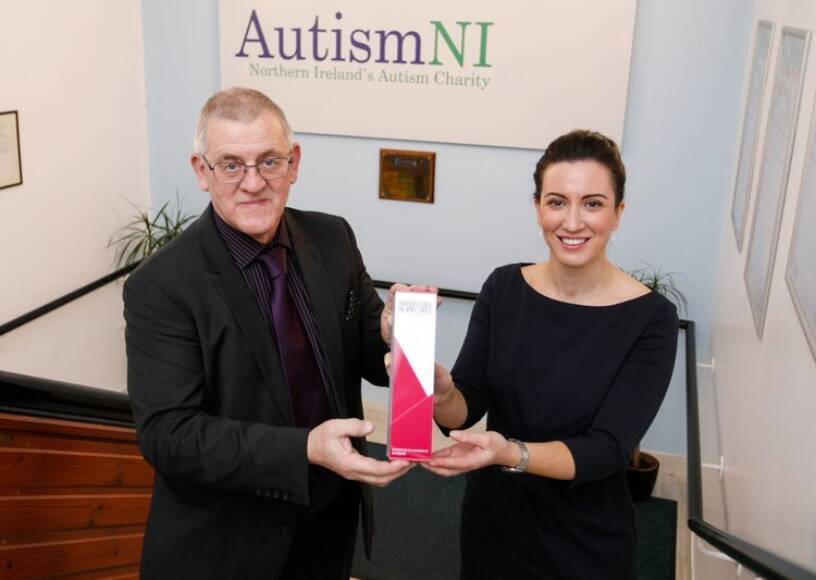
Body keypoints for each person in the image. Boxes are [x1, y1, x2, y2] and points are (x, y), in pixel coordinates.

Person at [123, 87, 414, 579]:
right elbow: (169, 438)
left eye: (269, 162)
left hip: (329, 528)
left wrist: (390, 335)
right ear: (202, 172)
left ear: (294, 163)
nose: (253, 183)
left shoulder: (333, 237)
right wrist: (305, 449)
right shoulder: (161, 286)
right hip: (227, 548)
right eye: (231, 165)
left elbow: (366, 355)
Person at [423, 130, 679, 579]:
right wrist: (442, 391)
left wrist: (508, 453)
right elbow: (465, 407)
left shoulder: (651, 318)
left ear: (618, 213)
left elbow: (605, 450)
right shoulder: (504, 287)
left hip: (585, 543)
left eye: (593, 203)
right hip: (494, 523)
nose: (573, 222)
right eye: (557, 202)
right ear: (538, 208)